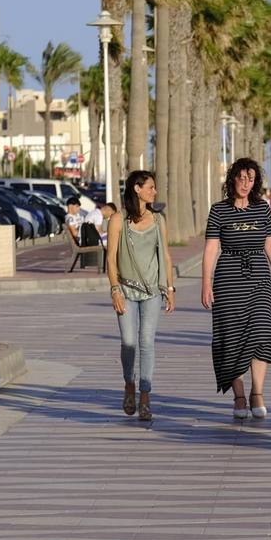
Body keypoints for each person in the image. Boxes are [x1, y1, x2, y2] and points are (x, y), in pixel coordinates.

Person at [202, 158, 271, 419]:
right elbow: (212, 248)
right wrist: (206, 282)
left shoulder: (262, 209)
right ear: (233, 179)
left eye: (251, 179)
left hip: (258, 276)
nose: (246, 183)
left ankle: (256, 393)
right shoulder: (218, 210)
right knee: (232, 335)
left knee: (261, 332)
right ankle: (239, 396)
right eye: (242, 177)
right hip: (228, 276)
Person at [107, 171, 174, 422]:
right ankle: (129, 385)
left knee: (147, 342)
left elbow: (165, 256)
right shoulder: (117, 219)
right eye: (151, 187)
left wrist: (170, 289)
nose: (154, 192)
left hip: (152, 293)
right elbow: (111, 258)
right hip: (125, 289)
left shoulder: (158, 220)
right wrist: (114, 290)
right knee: (128, 342)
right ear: (137, 189)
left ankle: (145, 396)